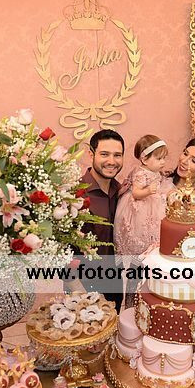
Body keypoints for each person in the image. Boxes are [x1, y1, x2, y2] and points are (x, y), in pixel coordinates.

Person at [114, 135, 174, 306]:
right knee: (142, 235)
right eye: (159, 158)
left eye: (164, 158)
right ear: (144, 159)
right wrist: (149, 190)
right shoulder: (141, 173)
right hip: (140, 209)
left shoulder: (154, 171)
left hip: (154, 206)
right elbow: (136, 193)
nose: (163, 162)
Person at [71, 129, 125, 311]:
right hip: (83, 285)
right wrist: (75, 286)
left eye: (117, 155)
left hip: (115, 282)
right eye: (104, 154)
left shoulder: (121, 191)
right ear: (91, 154)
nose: (112, 161)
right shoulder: (75, 194)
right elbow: (62, 247)